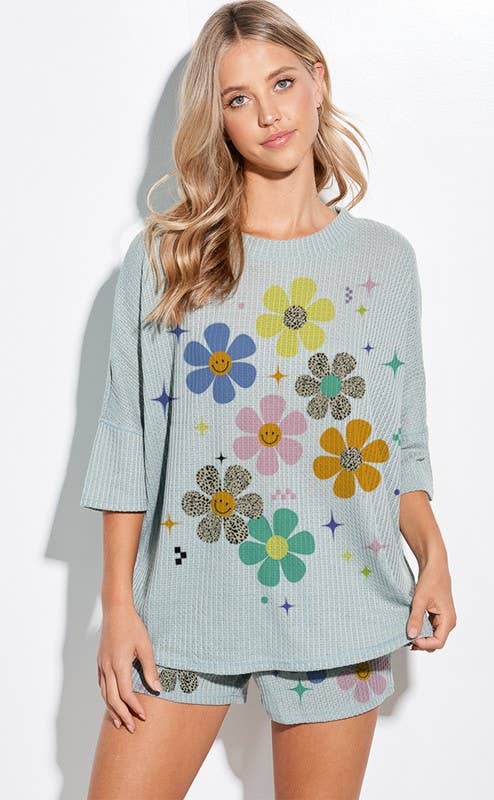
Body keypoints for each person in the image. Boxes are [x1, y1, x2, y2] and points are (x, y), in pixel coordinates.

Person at [79, 1, 457, 797]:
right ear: (216, 118)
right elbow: (126, 439)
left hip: (341, 604)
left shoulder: (384, 261)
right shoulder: (169, 258)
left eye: (282, 83)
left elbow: (399, 446)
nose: (268, 114)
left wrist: (433, 558)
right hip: (184, 609)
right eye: (237, 98)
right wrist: (118, 609)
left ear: (317, 80)